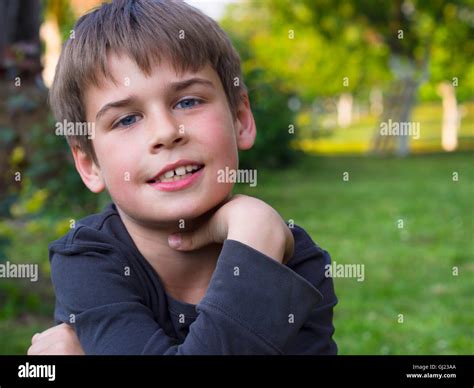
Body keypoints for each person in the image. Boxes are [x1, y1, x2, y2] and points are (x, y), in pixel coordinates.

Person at [28, 0, 337, 355]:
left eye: (188, 101)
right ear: (89, 164)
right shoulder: (88, 262)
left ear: (240, 119)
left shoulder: (295, 260)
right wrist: (258, 244)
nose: (165, 132)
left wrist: (256, 239)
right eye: (126, 119)